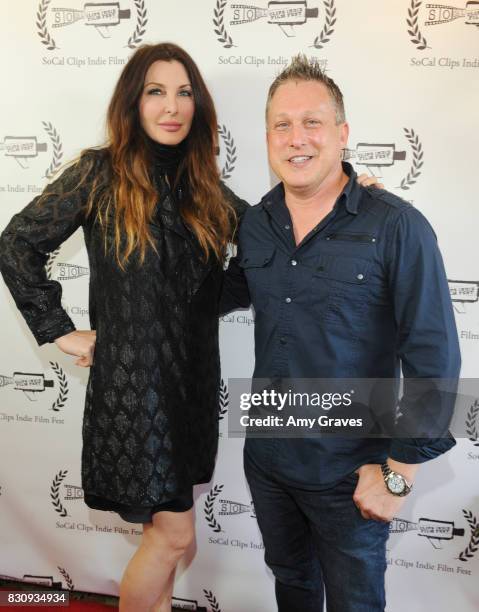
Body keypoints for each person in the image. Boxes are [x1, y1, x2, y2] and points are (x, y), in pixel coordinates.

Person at [0, 43, 249, 612]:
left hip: (188, 391)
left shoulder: (204, 185)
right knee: (176, 536)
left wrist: (341, 197)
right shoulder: (100, 172)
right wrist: (59, 329)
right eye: (155, 91)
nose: (172, 106)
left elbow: (269, 245)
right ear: (133, 103)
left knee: (166, 540)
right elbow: (16, 245)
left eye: (184, 92)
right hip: (135, 396)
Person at [221, 55, 461, 612]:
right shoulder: (256, 224)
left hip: (352, 473)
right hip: (270, 461)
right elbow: (209, 295)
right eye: (282, 124)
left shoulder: (395, 225)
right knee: (293, 587)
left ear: (343, 133)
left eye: (313, 122)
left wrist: (396, 478)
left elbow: (434, 360)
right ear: (267, 136)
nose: (296, 137)